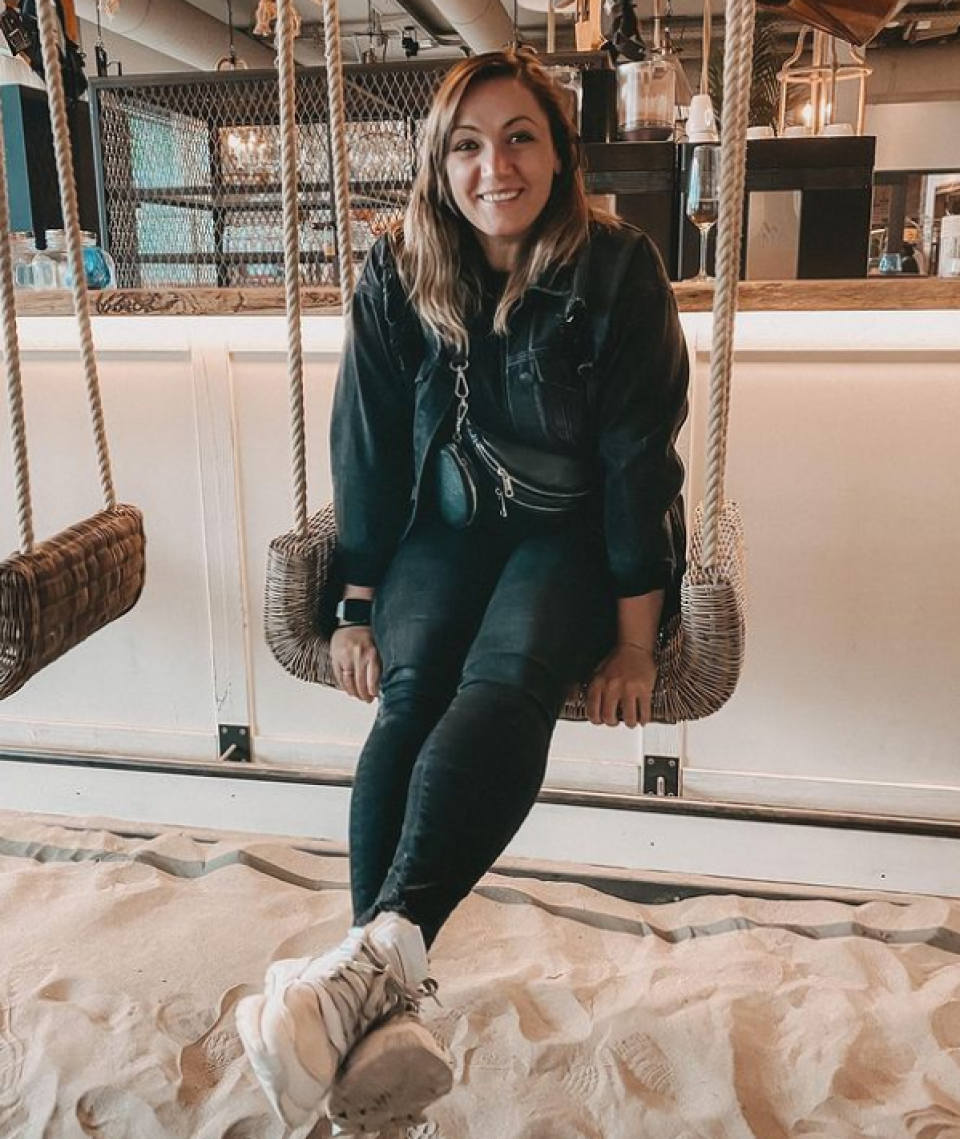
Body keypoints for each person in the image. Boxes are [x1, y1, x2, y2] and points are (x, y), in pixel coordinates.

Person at [237, 47, 688, 1135]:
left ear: (561, 152)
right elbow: (366, 449)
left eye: (521, 137)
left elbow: (639, 462)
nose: (498, 166)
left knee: (501, 682)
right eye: (470, 145)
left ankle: (358, 976)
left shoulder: (618, 268)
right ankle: (381, 999)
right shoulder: (398, 268)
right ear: (440, 165)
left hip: (570, 541)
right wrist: (354, 608)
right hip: (442, 530)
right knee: (413, 691)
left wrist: (636, 640)